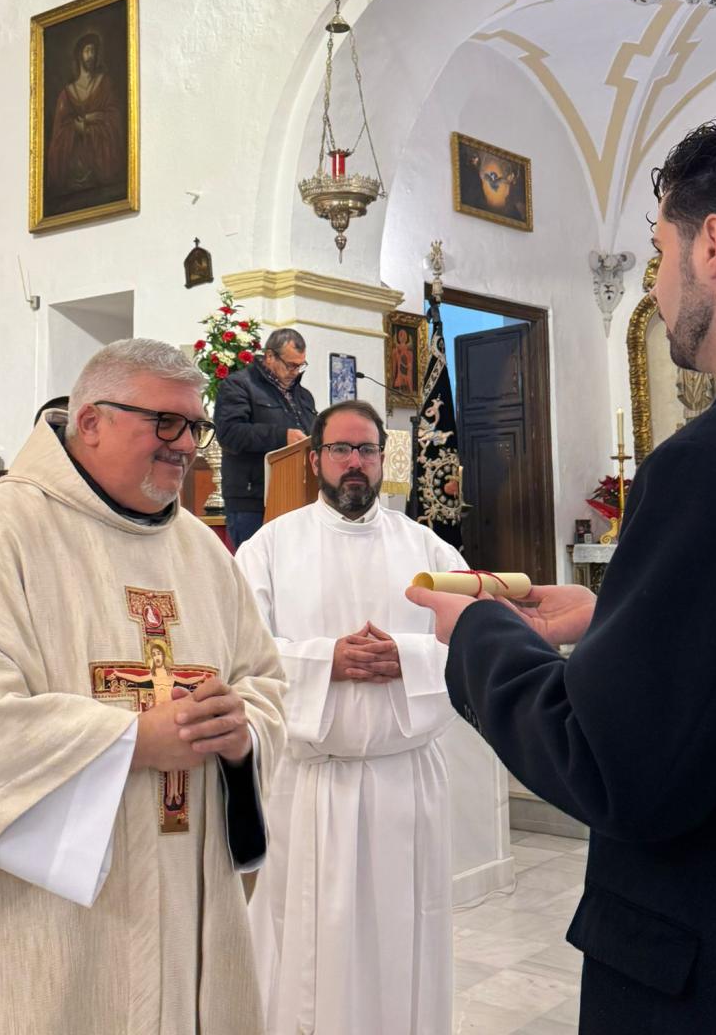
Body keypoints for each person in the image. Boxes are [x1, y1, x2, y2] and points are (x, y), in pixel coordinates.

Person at [409, 108, 716, 1034]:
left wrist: (478, 635)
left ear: (712, 244)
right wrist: (615, 625)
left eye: (659, 250)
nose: (660, 281)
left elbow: (614, 768)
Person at [0, 339, 286, 1035]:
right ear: (91, 421)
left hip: (186, 892)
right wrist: (129, 740)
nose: (187, 448)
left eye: (195, 427)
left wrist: (243, 733)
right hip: (51, 908)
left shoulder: (203, 553)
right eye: (165, 424)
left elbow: (263, 681)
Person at [237, 399, 464, 1035]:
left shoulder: (428, 549)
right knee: (307, 945)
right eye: (341, 450)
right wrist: (325, 660)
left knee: (406, 936)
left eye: (367, 450)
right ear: (315, 461)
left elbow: (476, 636)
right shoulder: (269, 549)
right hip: (312, 786)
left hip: (404, 785)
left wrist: (409, 658)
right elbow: (236, 654)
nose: (355, 463)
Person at [215, 328, 317, 549]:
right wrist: (282, 436)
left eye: (300, 366)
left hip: (297, 498)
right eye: (290, 365)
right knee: (254, 573)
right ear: (270, 356)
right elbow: (229, 434)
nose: (295, 371)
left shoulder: (304, 397)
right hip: (252, 500)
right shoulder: (238, 385)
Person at [45, 31, 124, 206]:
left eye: (93, 51)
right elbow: (59, 133)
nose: (91, 55)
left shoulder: (104, 85)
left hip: (101, 168)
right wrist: (75, 127)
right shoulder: (66, 94)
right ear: (79, 54)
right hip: (74, 174)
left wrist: (90, 120)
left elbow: (114, 119)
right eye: (87, 50)